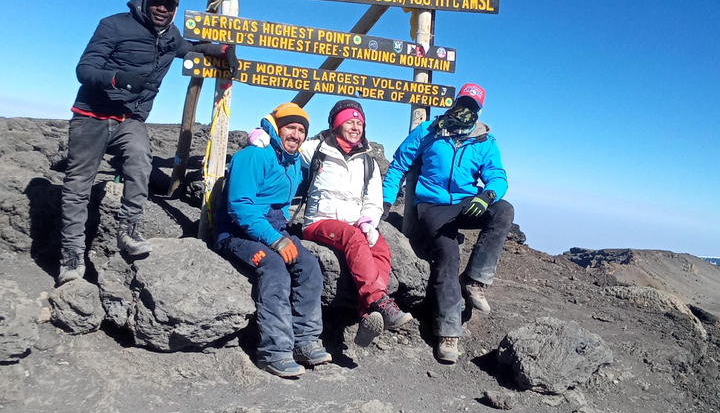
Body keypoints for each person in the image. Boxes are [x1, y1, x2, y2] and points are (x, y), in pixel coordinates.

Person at [58, 0, 237, 285]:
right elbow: (85, 69)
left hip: (130, 118)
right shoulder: (114, 25)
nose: (161, 8)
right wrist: (117, 78)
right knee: (78, 185)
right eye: (156, 1)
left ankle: (128, 230)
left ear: (176, 9)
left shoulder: (171, 36)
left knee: (141, 161)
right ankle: (72, 256)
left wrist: (220, 50)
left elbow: (190, 47)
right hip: (92, 116)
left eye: (169, 4)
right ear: (144, 1)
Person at [381, 83, 514, 363]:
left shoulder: (484, 141)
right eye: (464, 103)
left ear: (479, 111)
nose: (467, 110)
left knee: (503, 210)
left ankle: (475, 280)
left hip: (467, 203)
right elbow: (399, 164)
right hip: (433, 206)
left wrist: (487, 195)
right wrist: (383, 202)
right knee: (448, 254)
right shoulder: (430, 130)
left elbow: (498, 176)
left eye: (473, 106)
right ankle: (448, 332)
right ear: (456, 102)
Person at [214, 103, 330, 378]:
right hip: (236, 232)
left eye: (302, 130)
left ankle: (305, 341)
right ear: (277, 128)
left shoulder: (291, 161)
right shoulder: (255, 155)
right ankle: (274, 352)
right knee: (275, 269)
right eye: (291, 127)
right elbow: (240, 206)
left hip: (273, 228)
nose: (297, 134)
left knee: (310, 266)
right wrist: (275, 241)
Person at [296, 100, 412, 346]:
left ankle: (368, 315)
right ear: (337, 125)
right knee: (354, 238)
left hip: (353, 224)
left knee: (380, 247)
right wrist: (263, 137)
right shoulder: (317, 149)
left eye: (360, 123)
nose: (356, 127)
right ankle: (380, 301)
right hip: (319, 222)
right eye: (350, 121)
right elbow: (287, 143)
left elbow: (373, 199)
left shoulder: (367, 161)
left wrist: (369, 221)